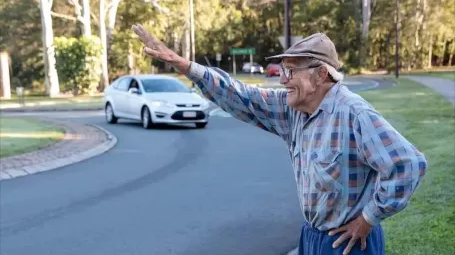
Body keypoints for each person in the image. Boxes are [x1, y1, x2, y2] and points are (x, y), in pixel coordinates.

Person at [132, 24, 427, 255]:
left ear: (321, 74)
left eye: (291, 70)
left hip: (349, 243)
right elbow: (241, 96)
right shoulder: (293, 111)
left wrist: (368, 219)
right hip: (311, 237)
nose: (282, 79)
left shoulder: (354, 114)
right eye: (283, 70)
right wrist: (185, 66)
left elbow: (408, 164)